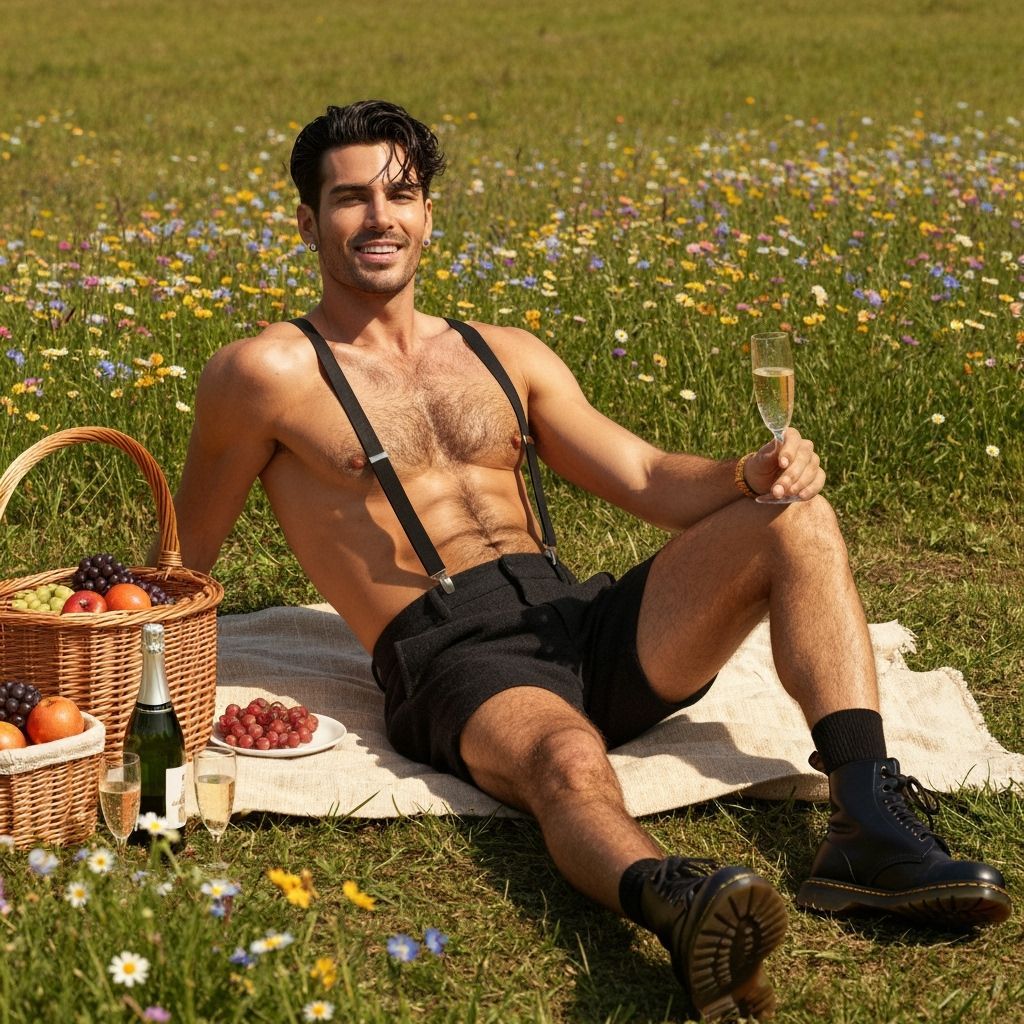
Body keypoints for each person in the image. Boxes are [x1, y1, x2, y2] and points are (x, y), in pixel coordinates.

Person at [172, 101, 1012, 1021]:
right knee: (568, 757)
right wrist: (114, 647)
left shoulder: (506, 354)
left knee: (795, 518)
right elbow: (184, 561)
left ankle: (867, 824)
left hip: (572, 617)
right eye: (350, 198)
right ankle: (680, 904)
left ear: (428, 213)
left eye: (401, 193)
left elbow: (647, 476)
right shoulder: (263, 375)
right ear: (308, 223)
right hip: (453, 652)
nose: (381, 217)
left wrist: (749, 472)